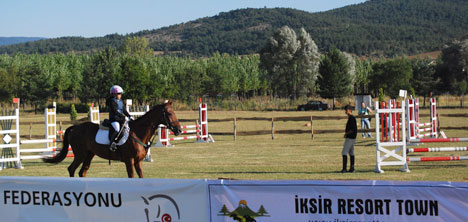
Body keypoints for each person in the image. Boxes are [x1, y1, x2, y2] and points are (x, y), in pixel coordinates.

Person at [106, 85, 131, 151]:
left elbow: (124, 110)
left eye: (121, 94)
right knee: (117, 129)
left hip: (120, 119)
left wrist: (129, 115)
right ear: (114, 94)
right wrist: (123, 117)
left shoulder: (120, 101)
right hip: (114, 119)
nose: (120, 95)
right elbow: (115, 111)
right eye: (119, 94)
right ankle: (111, 144)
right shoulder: (111, 101)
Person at [341, 104, 357, 173]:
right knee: (351, 152)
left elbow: (353, 129)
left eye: (346, 110)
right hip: (352, 137)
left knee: (344, 152)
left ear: (350, 110)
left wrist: (346, 134)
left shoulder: (352, 118)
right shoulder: (351, 118)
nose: (345, 111)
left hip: (350, 138)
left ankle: (344, 168)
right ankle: (352, 168)